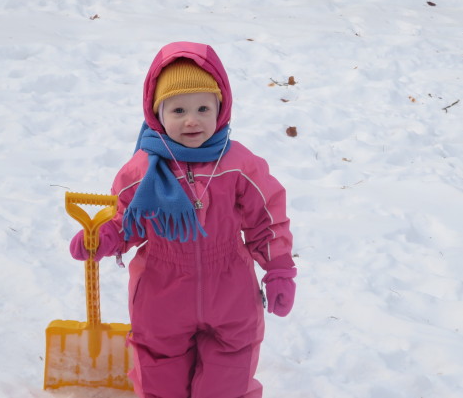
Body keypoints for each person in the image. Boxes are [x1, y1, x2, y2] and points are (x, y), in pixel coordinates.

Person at [70, 41, 297, 398]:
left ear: (221, 109)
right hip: (162, 291)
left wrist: (279, 269)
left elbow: (266, 219)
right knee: (160, 372)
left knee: (230, 373)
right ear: (156, 114)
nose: (192, 120)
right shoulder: (142, 169)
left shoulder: (239, 164)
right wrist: (106, 237)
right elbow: (126, 217)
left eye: (203, 108)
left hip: (231, 288)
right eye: (178, 110)